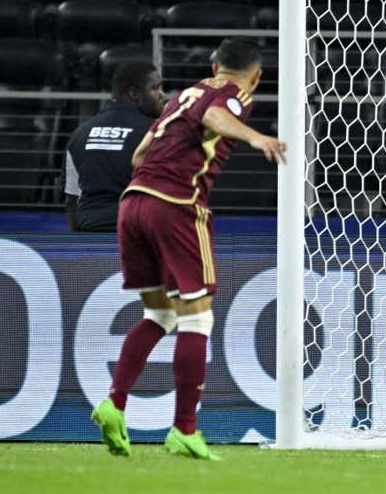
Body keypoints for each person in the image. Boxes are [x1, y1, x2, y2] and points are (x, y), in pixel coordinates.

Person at [89, 38, 287, 460]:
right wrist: (255, 138)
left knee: (159, 314)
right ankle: (184, 429)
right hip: (175, 206)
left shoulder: (182, 95)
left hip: (132, 203)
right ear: (256, 75)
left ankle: (114, 402)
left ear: (214, 64)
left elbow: (140, 153)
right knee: (198, 319)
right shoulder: (235, 95)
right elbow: (216, 116)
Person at [63, 62, 164, 232]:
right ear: (134, 93)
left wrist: (79, 242)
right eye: (155, 88)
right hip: (137, 234)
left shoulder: (79, 133)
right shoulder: (154, 133)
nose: (162, 95)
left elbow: (71, 199)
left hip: (90, 233)